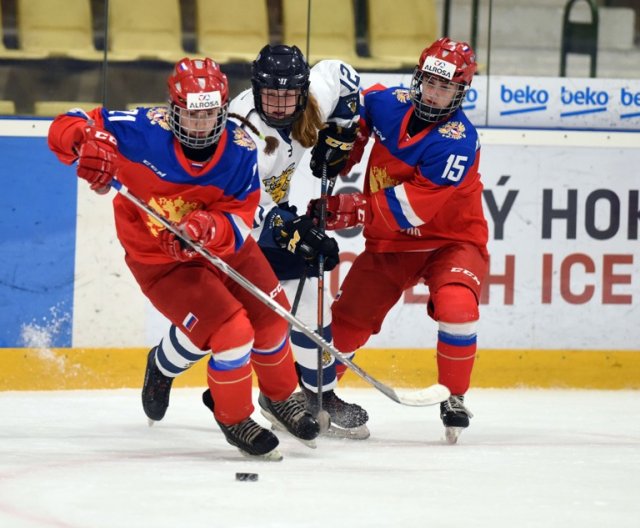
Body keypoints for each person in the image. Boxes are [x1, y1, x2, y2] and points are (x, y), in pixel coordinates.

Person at [47, 57, 320, 460]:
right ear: (172, 109)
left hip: (224, 247)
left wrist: (212, 229)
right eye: (191, 115)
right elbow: (63, 126)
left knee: (271, 312)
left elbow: (243, 219)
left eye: (210, 115)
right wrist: (87, 140)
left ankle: (279, 397)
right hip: (162, 262)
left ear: (223, 111)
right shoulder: (138, 131)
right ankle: (234, 416)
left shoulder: (241, 150)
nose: (200, 125)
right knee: (232, 331)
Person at [142, 45, 371, 439]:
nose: (280, 104)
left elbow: (343, 74)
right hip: (220, 227)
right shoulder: (241, 132)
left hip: (265, 219)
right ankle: (162, 366)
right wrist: (290, 229)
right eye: (271, 95)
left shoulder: (312, 94)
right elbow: (241, 208)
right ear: (256, 90)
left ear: (301, 90)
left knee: (309, 298)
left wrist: (342, 130)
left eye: (288, 95)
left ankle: (320, 395)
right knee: (219, 325)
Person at [309, 37, 489, 444]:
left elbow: (412, 209)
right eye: (429, 82)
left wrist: (353, 208)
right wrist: (345, 144)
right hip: (391, 245)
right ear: (418, 77)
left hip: (451, 242)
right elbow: (358, 110)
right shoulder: (388, 102)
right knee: (350, 320)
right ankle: (314, 392)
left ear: (460, 93)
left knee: (458, 306)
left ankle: (454, 396)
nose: (434, 93)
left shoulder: (457, 140)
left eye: (446, 88)